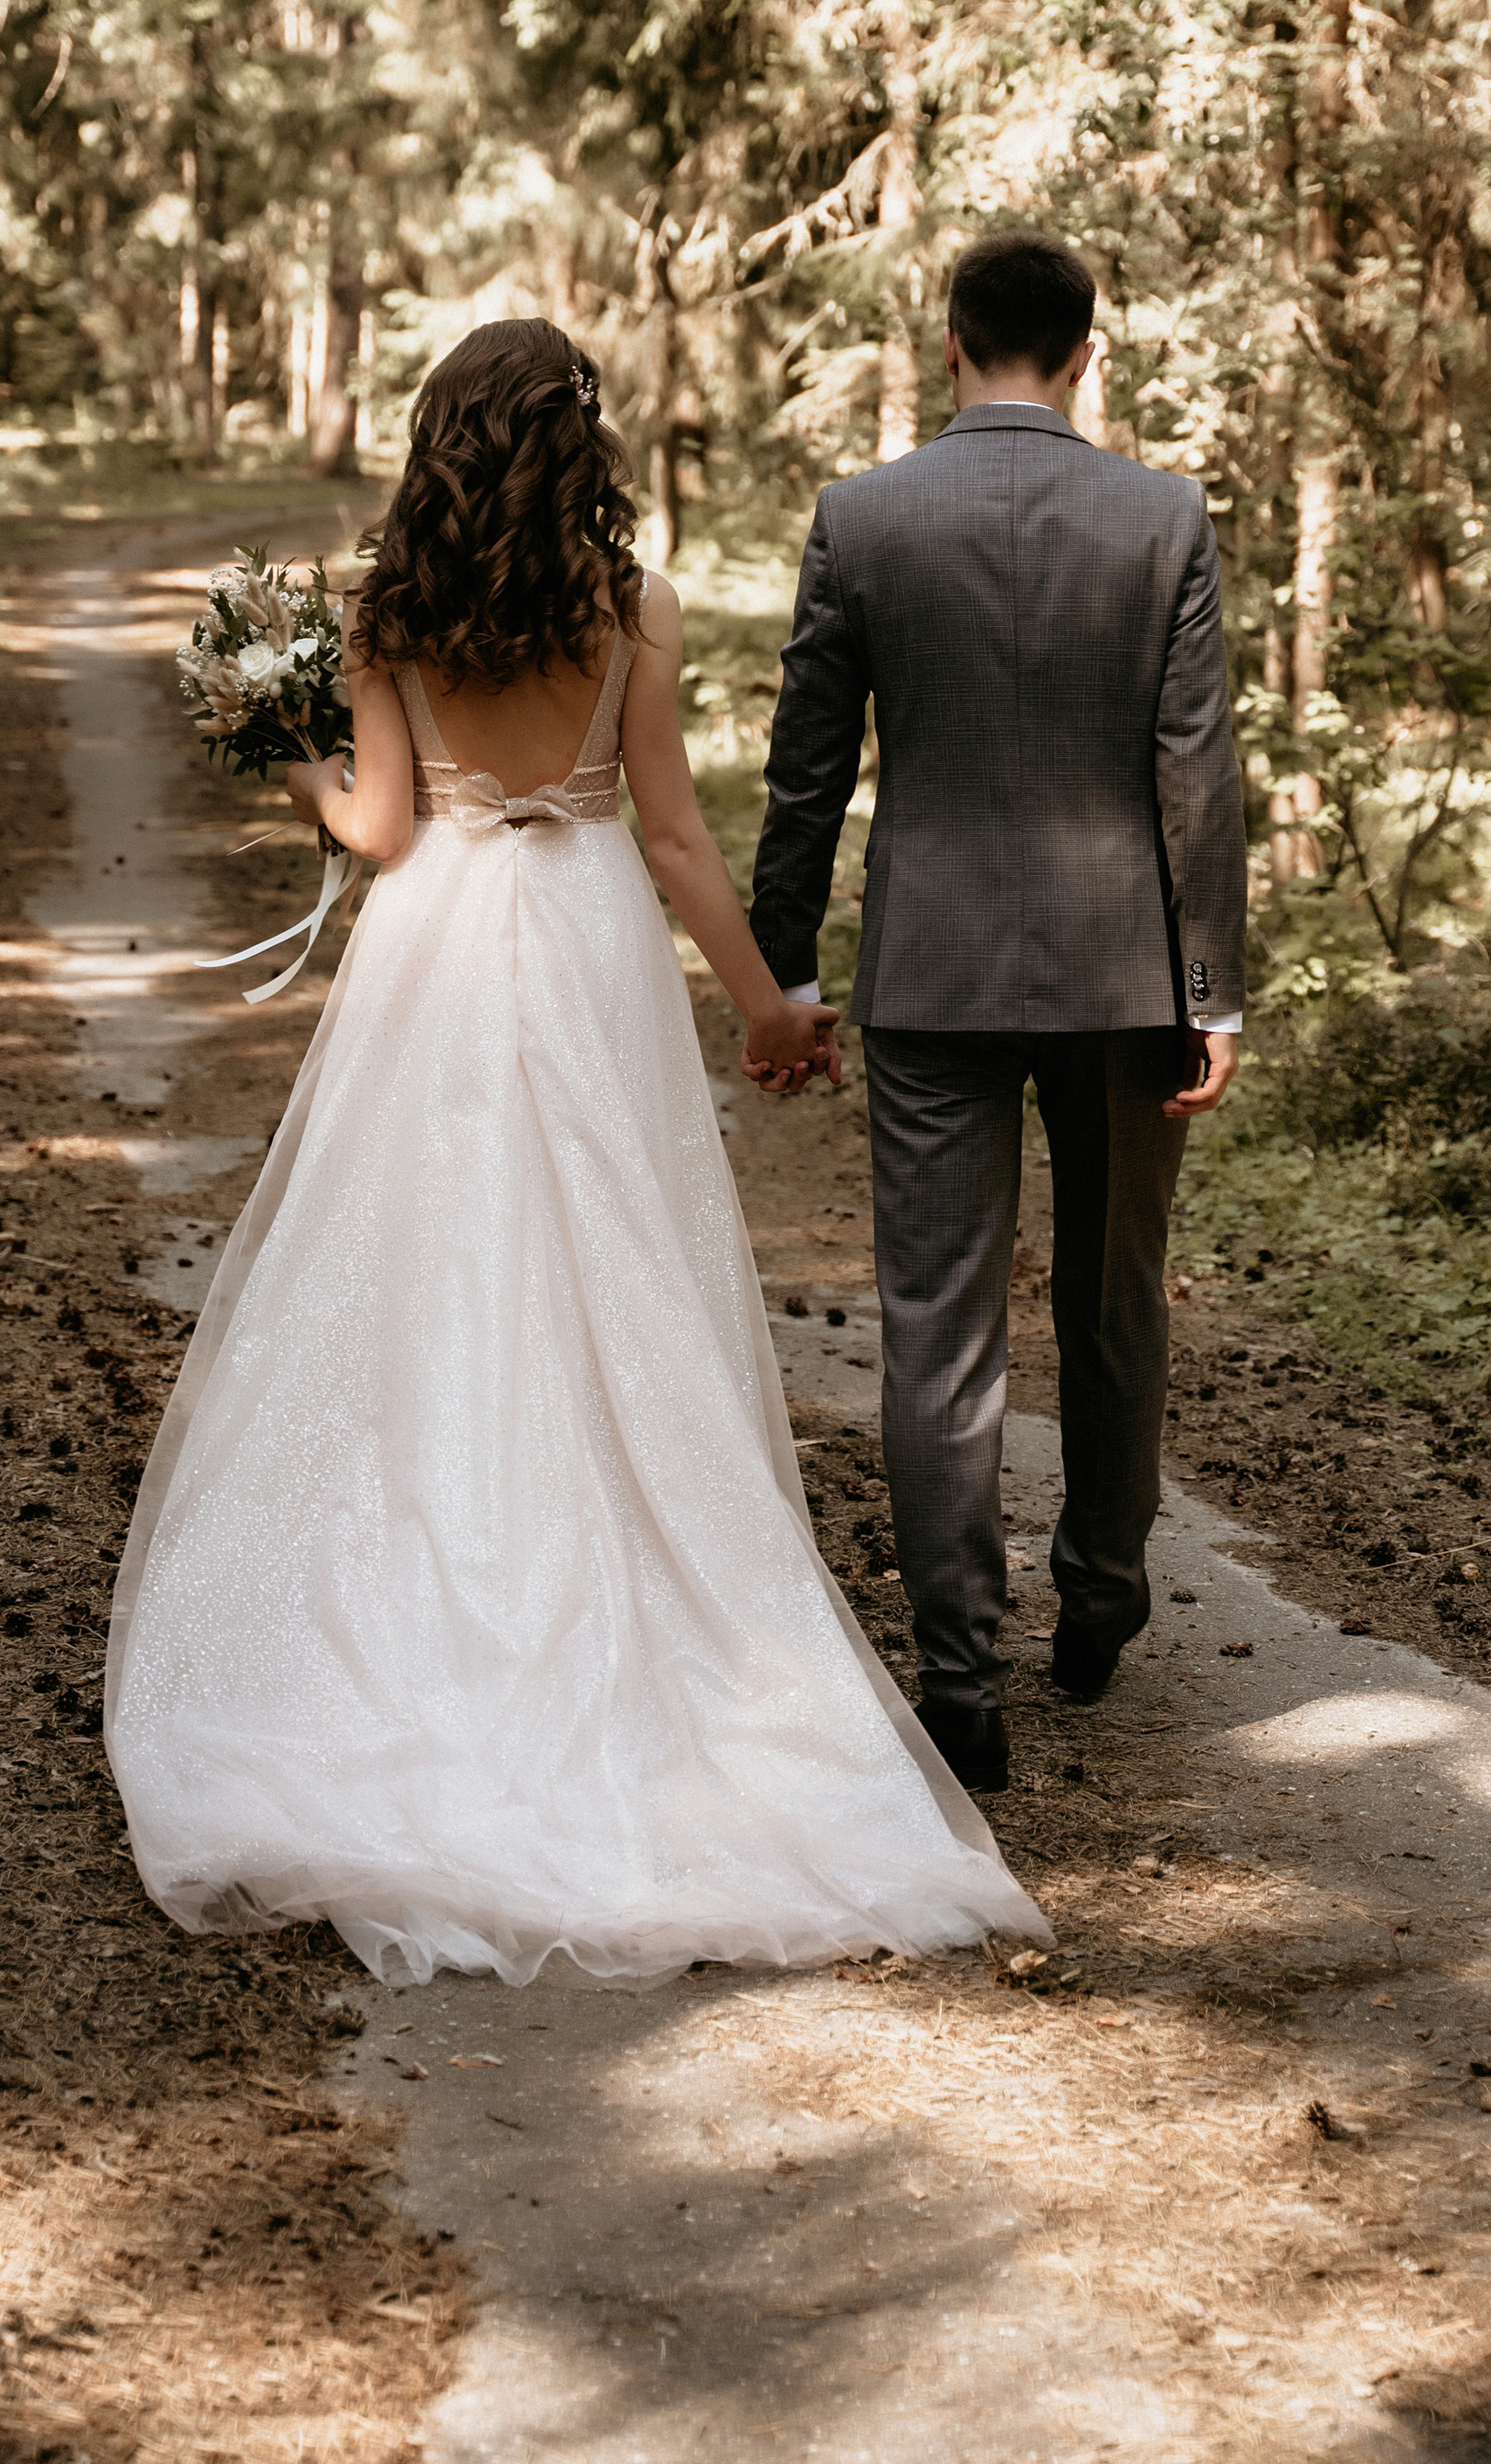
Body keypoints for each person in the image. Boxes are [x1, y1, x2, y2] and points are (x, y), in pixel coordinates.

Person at [106, 317, 1045, 1985]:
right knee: (615, 1255)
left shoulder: (386, 609)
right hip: (595, 931)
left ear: (444, 439)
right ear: (581, 441)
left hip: (445, 947)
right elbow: (676, 831)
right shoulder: (636, 605)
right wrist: (767, 1006)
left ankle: (421, 1596)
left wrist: (306, 755)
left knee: (428, 1264)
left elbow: (382, 831)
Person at [748, 230, 1248, 1796]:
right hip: (1123, 981)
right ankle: (1098, 1600)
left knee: (936, 1325)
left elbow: (806, 767)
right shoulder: (1162, 519)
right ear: (1089, 353)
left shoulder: (865, 517)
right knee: (1113, 1299)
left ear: (948, 344)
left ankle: (960, 1678)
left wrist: (792, 972)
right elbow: (1199, 778)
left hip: (934, 979)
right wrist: (1213, 990)